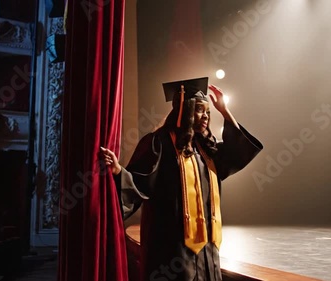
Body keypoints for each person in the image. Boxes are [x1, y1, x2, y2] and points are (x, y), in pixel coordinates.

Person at [100, 77, 263, 281]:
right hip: (172, 251)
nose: (206, 116)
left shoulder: (207, 150)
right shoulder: (159, 143)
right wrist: (118, 171)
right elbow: (138, 182)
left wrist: (224, 111)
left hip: (207, 251)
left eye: (208, 112)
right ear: (184, 110)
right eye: (200, 110)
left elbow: (238, 153)